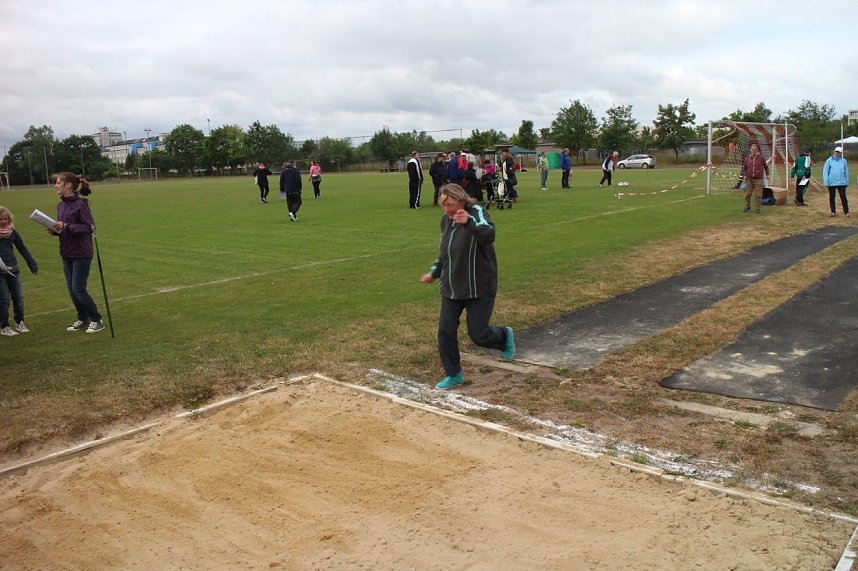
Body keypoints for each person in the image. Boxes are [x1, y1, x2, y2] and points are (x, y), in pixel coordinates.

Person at [420, 183, 515, 390]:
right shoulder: (445, 221)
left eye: (450, 205)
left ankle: (504, 336)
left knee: (479, 334)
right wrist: (434, 272)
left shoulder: (476, 212)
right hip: (452, 288)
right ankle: (453, 374)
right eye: (443, 206)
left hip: (478, 287)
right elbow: (445, 252)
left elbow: (488, 234)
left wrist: (468, 222)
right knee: (445, 332)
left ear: (461, 199)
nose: (447, 210)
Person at [49, 172, 105, 333]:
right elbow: (63, 227)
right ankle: (83, 317)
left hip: (81, 252)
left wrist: (66, 226)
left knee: (78, 289)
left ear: (68, 185)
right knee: (71, 289)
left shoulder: (81, 204)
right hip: (66, 251)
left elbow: (89, 227)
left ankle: (96, 318)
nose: (55, 185)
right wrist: (55, 230)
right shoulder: (60, 205)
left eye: (58, 182)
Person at [0, 206, 38, 336]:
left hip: (13, 270)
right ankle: (4, 326)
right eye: (0, 219)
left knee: (18, 298)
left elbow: (22, 248)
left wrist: (31, 263)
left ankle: (20, 322)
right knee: (4, 299)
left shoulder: (12, 232)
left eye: (5, 218)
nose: (4, 221)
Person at [823, 146, 850, 218]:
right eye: (836, 152)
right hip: (832, 182)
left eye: (839, 152)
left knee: (843, 196)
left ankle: (846, 212)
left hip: (842, 182)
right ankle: (833, 211)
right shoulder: (829, 160)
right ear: (834, 152)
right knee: (832, 197)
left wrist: (847, 181)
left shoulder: (844, 161)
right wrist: (826, 182)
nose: (837, 153)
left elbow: (846, 171)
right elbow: (825, 171)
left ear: (841, 153)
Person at [742, 142, 769, 214]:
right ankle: (747, 206)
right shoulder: (747, 159)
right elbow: (744, 168)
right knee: (748, 194)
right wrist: (745, 175)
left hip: (759, 179)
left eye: (755, 149)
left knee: (758, 195)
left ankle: (757, 208)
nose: (753, 150)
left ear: (757, 150)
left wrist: (767, 175)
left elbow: (766, 167)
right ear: (750, 150)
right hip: (749, 179)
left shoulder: (761, 158)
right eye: (752, 149)